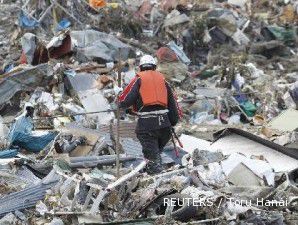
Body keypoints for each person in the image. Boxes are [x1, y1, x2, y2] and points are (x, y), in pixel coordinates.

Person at [115, 55, 181, 174]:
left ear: (141, 67)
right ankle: (157, 172)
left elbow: (125, 102)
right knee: (155, 154)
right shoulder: (163, 81)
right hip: (165, 126)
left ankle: (157, 180)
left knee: (153, 159)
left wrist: (118, 96)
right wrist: (171, 123)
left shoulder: (139, 79)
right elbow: (173, 106)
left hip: (147, 127)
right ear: (154, 67)